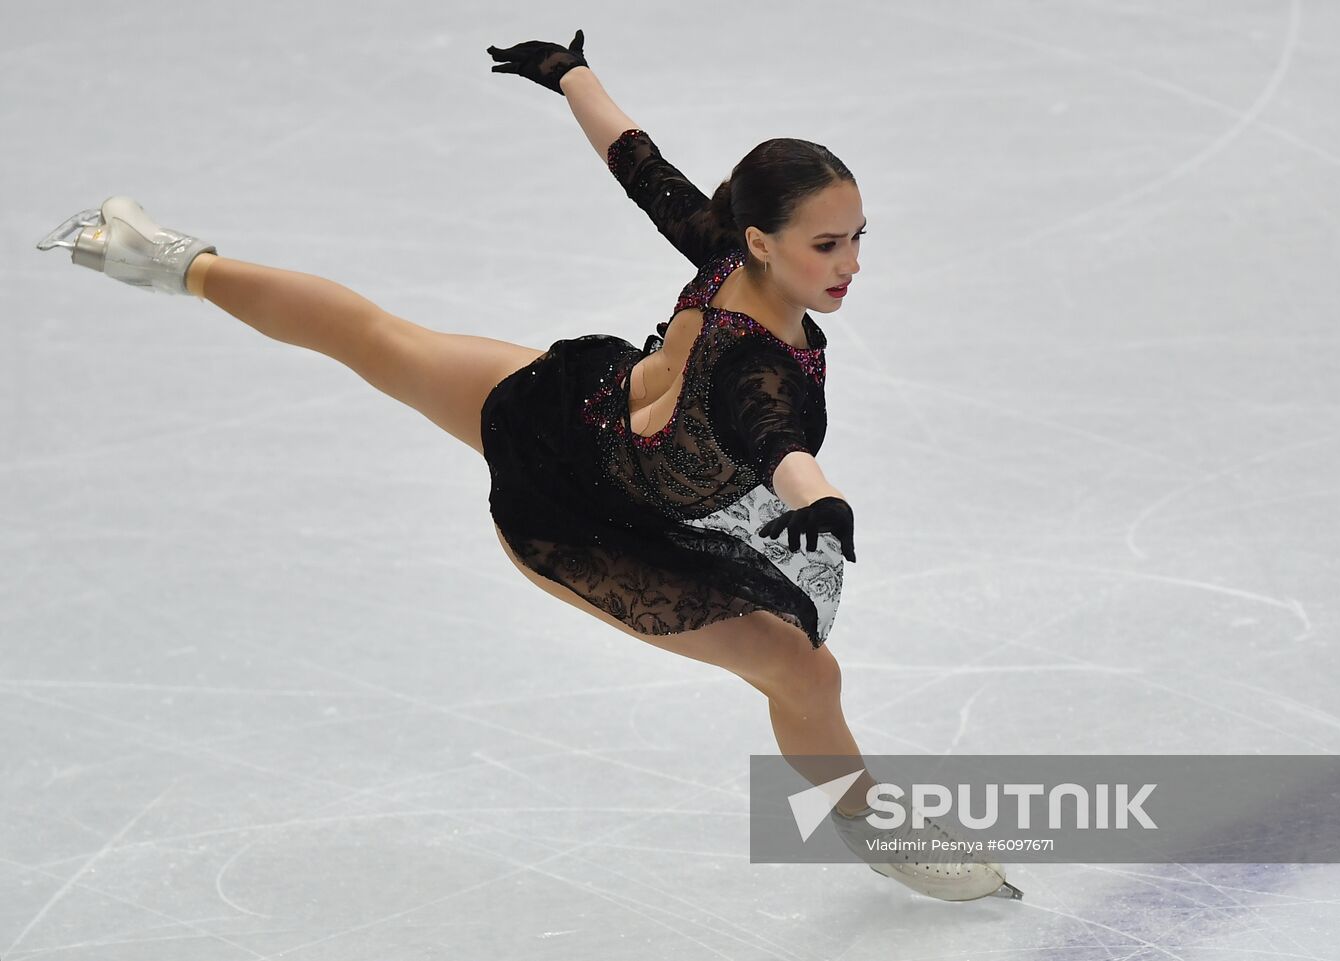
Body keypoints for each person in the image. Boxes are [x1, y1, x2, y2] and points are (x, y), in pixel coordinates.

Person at [35, 28, 1020, 903]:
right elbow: (779, 446)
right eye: (827, 243)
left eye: (856, 238)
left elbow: (639, 164)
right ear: (764, 239)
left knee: (382, 339)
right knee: (805, 671)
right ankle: (888, 836)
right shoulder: (761, 373)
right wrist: (821, 502)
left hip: (573, 419)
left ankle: (157, 258)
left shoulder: (724, 252)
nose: (850, 262)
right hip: (598, 523)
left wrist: (571, 74)